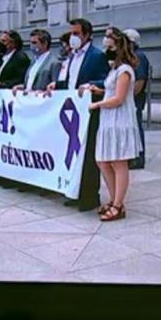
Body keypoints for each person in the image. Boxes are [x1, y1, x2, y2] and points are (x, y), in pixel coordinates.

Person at [48, 18, 110, 212]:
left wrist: (91, 84)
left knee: (89, 154)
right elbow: (70, 81)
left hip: (89, 110)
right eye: (71, 33)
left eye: (76, 33)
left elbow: (106, 81)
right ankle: (75, 191)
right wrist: (57, 85)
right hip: (73, 110)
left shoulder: (96, 56)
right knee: (74, 152)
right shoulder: (72, 56)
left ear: (87, 35)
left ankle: (90, 196)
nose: (72, 37)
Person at [89, 30, 141, 222]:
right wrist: (100, 91)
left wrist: (97, 104)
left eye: (110, 45)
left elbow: (119, 98)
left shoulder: (124, 70)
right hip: (108, 120)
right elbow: (113, 91)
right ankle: (114, 199)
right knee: (103, 161)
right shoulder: (115, 69)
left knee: (118, 163)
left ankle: (118, 205)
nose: (106, 49)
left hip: (119, 121)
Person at [124, 28, 149, 170]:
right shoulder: (130, 57)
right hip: (130, 99)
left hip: (134, 100)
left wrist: (128, 97)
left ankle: (138, 158)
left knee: (136, 127)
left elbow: (140, 81)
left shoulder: (139, 57)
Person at [13, 29, 61, 93]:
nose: (31, 46)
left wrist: (43, 92)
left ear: (45, 43)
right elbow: (31, 82)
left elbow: (56, 86)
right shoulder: (33, 61)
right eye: (30, 42)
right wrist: (22, 87)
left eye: (34, 43)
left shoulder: (54, 63)